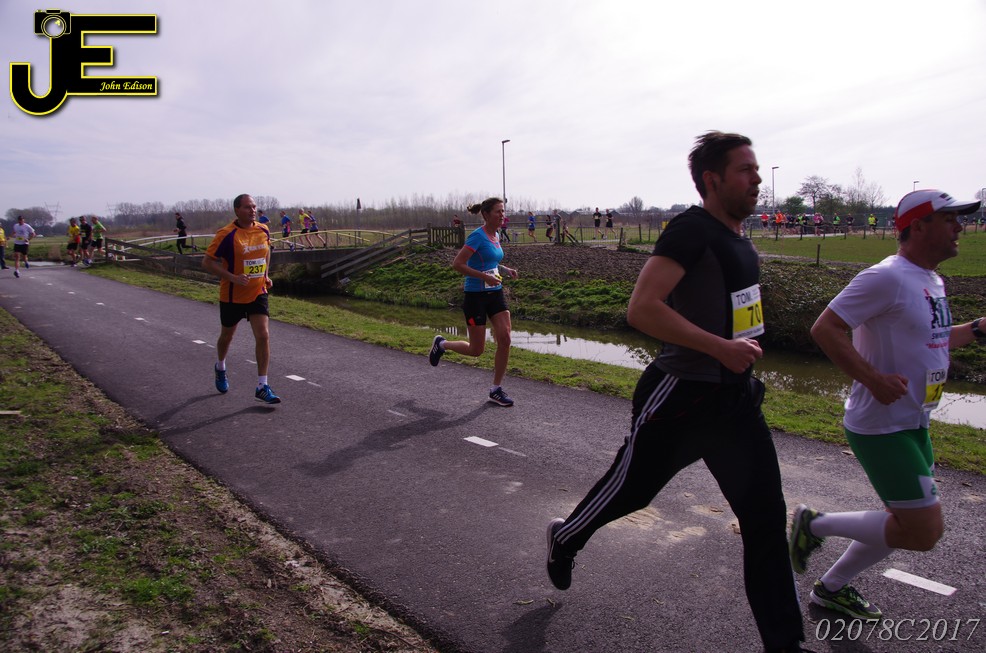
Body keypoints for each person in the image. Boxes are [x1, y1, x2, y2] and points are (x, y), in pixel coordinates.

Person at [544, 131, 805, 653]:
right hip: (682, 396)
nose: (757, 179)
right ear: (712, 180)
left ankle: (786, 646)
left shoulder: (739, 236)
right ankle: (566, 537)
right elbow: (642, 308)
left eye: (757, 169)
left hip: (735, 401)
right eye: (745, 170)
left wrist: (740, 354)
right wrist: (719, 348)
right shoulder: (691, 229)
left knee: (764, 522)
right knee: (631, 491)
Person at [790, 189, 984, 621]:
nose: (960, 227)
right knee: (923, 532)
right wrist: (873, 379)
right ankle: (813, 524)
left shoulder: (931, 279)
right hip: (882, 426)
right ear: (919, 226)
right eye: (950, 219)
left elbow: (934, 338)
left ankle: (832, 588)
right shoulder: (886, 277)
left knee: (899, 519)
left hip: (915, 420)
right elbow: (825, 328)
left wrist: (977, 328)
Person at [428, 197, 518, 407]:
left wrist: (505, 269)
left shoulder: (496, 235)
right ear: (486, 214)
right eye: (498, 211)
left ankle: (495, 390)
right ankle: (441, 344)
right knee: (476, 350)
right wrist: (484, 277)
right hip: (475, 296)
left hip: (495, 293)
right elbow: (458, 264)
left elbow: (490, 260)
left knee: (505, 338)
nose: (502, 215)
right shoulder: (477, 236)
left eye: (503, 211)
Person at [201, 194, 281, 405]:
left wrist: (266, 274)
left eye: (254, 207)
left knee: (263, 335)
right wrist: (232, 277)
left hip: (257, 292)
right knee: (227, 336)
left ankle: (262, 386)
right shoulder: (226, 234)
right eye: (247, 207)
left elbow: (266, 252)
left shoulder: (263, 229)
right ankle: (220, 366)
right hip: (232, 295)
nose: (252, 210)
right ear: (237, 210)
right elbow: (207, 262)